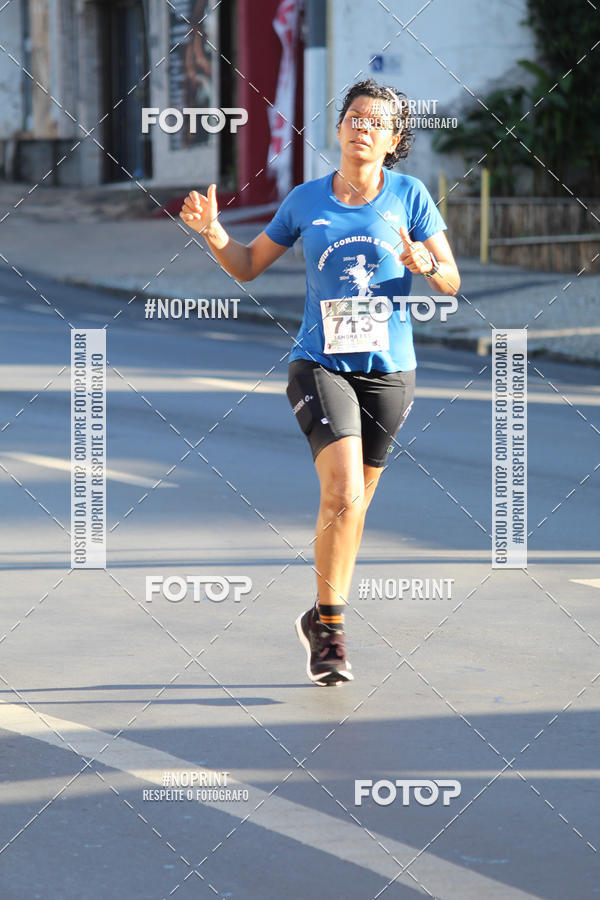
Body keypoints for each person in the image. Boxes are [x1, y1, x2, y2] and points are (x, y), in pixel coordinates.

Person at [179, 78, 460, 687]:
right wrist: (214, 233)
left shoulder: (410, 196)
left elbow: (451, 281)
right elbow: (249, 265)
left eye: (376, 122)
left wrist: (427, 263)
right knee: (342, 495)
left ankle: (317, 614)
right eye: (354, 117)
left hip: (391, 373)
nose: (362, 127)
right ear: (338, 129)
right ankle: (331, 630)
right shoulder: (306, 200)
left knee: (355, 509)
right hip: (319, 363)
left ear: (393, 141)